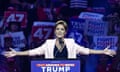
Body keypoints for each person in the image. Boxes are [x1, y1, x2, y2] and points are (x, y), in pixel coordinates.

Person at [3, 20, 116, 59]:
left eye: (62, 29)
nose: (59, 31)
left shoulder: (71, 43)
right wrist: (17, 53)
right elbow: (33, 52)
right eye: (57, 29)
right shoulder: (48, 43)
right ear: (55, 31)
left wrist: (103, 51)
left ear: (65, 32)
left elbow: (86, 51)